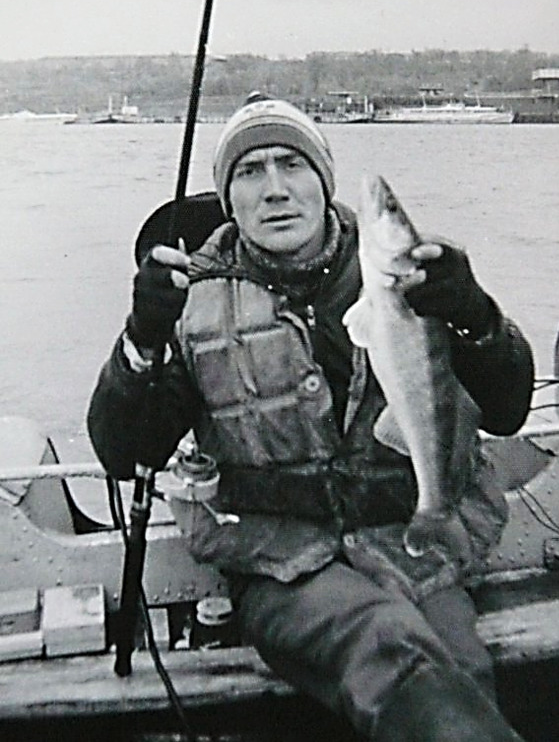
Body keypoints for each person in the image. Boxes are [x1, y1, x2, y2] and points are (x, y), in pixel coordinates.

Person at [88, 94, 534, 741]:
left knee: (461, 666)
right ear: (228, 198)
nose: (274, 189)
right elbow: (125, 453)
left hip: (409, 548)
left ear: (323, 182)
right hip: (280, 565)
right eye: (250, 171)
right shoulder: (193, 299)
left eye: (291, 164)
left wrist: (475, 318)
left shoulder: (407, 274)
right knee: (387, 647)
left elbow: (508, 410)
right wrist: (141, 339)